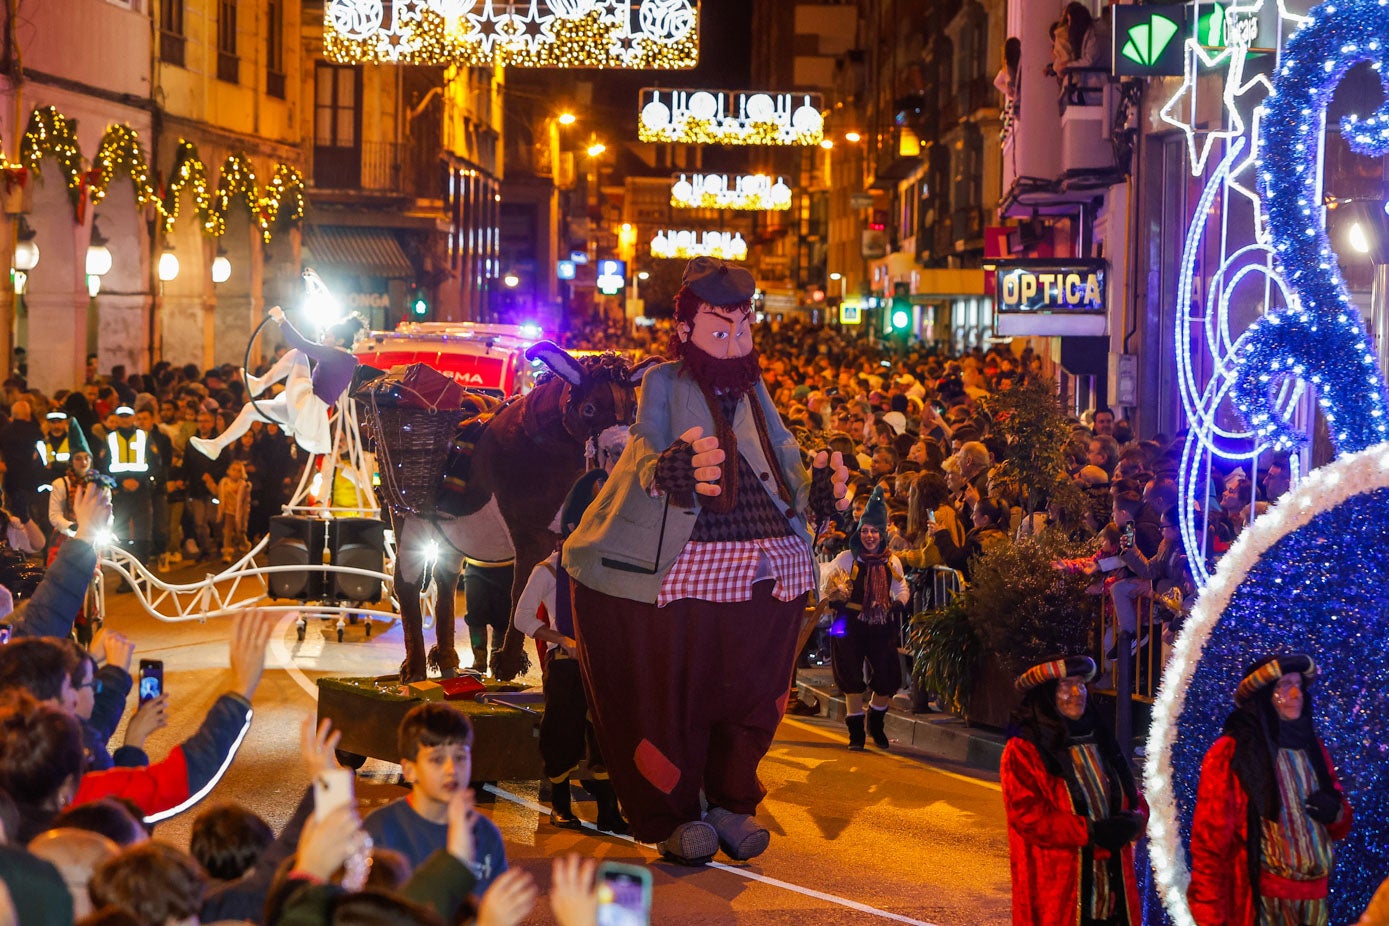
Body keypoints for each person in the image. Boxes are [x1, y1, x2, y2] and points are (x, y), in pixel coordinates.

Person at [562, 256, 850, 865]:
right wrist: (669, 468)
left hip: (762, 545)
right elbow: (646, 443)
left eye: (742, 330)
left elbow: (782, 448)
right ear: (687, 330)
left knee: (751, 681)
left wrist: (813, 488)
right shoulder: (665, 381)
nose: (734, 342)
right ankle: (673, 809)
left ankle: (731, 800)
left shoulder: (753, 386)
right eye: (721, 331)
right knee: (676, 687)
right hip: (684, 540)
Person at [1188, 654, 1353, 926]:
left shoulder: (1313, 747)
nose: (1294, 693)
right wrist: (1209, 913)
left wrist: (1335, 812)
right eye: (1282, 685)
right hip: (1262, 904)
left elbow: (1341, 825)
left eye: (1298, 685)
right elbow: (1210, 843)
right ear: (1263, 697)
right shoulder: (1232, 753)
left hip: (1315, 903)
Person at [513, 469, 629, 835]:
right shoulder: (547, 570)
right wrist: (563, 640)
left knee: (607, 734)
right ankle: (559, 805)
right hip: (566, 665)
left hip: (604, 663)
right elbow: (522, 618)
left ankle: (609, 810)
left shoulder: (604, 566)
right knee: (562, 732)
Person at [1001, 655, 1146, 925]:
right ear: (1046, 695)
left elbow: (1128, 793)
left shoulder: (1099, 738)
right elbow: (1029, 818)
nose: (1077, 693)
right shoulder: (1023, 750)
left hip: (1111, 893)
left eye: (1081, 684)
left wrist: (1136, 818)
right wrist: (1091, 832)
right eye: (1066, 685)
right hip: (1061, 895)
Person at [362, 702, 509, 894]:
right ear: (409, 770)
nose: (452, 769)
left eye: (460, 757)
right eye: (437, 759)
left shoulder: (486, 834)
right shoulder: (379, 830)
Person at [190, 306, 364, 459]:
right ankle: (217, 445)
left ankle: (260, 384)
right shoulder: (349, 360)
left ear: (340, 341)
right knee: (250, 409)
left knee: (298, 353)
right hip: (306, 413)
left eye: (328, 336)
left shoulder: (336, 355)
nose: (324, 339)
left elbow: (302, 344)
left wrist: (282, 320)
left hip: (308, 406)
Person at [820, 487, 909, 750]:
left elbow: (901, 587)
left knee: (888, 675)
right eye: (865, 530)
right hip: (847, 621)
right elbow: (828, 583)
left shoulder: (891, 561)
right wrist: (834, 596)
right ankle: (856, 732)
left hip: (880, 622)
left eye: (874, 531)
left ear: (882, 534)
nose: (869, 536)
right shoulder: (847, 558)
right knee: (849, 674)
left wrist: (900, 603)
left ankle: (876, 721)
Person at [217, 459, 252, 563]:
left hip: (239, 513)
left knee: (239, 532)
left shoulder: (243, 485)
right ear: (228, 471)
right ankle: (227, 553)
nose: (235, 473)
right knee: (227, 532)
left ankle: (244, 545)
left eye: (238, 471)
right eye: (233, 470)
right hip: (228, 511)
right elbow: (218, 492)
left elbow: (246, 501)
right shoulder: (224, 483)